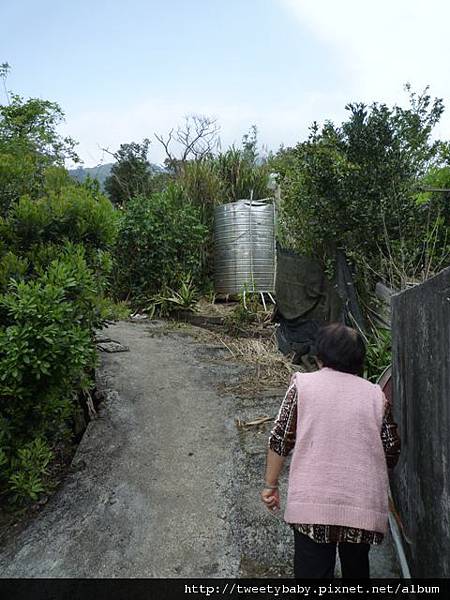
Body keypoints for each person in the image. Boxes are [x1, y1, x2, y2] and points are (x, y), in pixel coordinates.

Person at [261, 322, 401, 579]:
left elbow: (280, 438)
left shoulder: (303, 386)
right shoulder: (375, 395)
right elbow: (391, 448)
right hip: (360, 509)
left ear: (320, 356)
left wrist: (271, 485)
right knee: (356, 571)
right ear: (359, 360)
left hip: (311, 509)